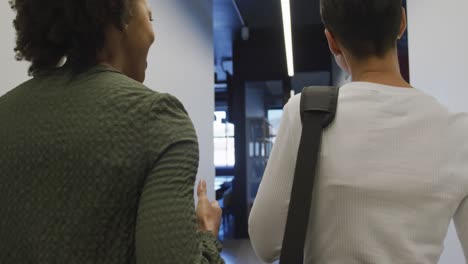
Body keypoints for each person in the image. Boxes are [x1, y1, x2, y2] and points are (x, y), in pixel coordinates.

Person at [0, 0, 224, 263]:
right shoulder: (158, 117)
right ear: (121, 17)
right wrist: (207, 234)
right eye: (149, 18)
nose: (153, 33)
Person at [249, 0, 468, 263]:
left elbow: (265, 242)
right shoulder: (459, 131)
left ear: (332, 41)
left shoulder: (307, 114)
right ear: (401, 22)